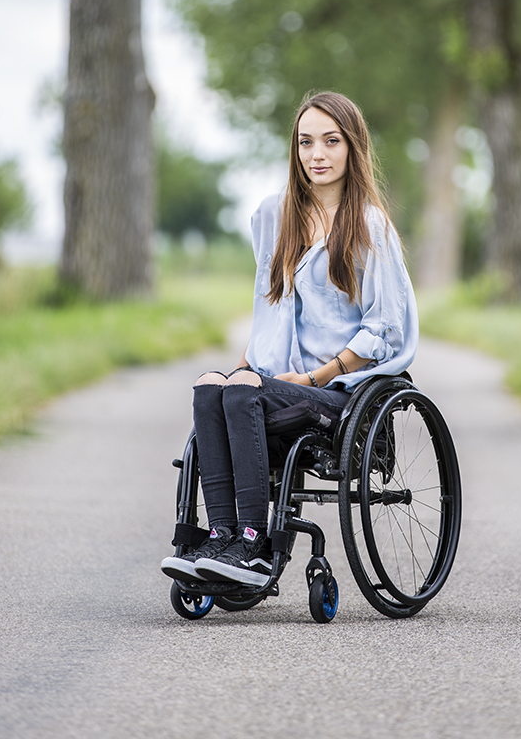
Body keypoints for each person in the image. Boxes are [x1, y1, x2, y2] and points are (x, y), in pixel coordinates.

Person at [161, 91, 418, 588]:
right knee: (211, 383)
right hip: (276, 377)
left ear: (352, 148)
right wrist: (239, 368)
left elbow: (383, 330)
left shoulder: (369, 226)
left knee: (242, 389)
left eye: (330, 141)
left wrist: (319, 374)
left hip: (338, 388)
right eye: (306, 143)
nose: (317, 155)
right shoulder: (273, 215)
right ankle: (220, 537)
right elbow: (269, 309)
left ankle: (255, 546)